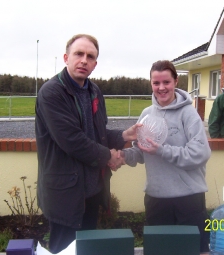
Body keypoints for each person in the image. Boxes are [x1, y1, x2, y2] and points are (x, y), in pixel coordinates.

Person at [35, 34, 140, 254]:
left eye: (90, 56)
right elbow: (72, 140)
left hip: (92, 191)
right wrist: (109, 156)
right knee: (64, 249)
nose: (84, 60)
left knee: (85, 248)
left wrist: (124, 135)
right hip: (65, 194)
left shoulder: (94, 91)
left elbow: (97, 135)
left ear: (95, 64)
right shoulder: (51, 93)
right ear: (66, 57)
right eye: (79, 54)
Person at [120, 60, 211, 253]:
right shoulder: (146, 114)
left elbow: (200, 153)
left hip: (189, 200)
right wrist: (121, 156)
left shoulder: (189, 114)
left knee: (193, 250)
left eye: (166, 82)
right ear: (151, 83)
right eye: (156, 83)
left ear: (176, 81)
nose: (161, 88)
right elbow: (142, 150)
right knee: (159, 251)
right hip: (157, 199)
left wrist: (161, 150)